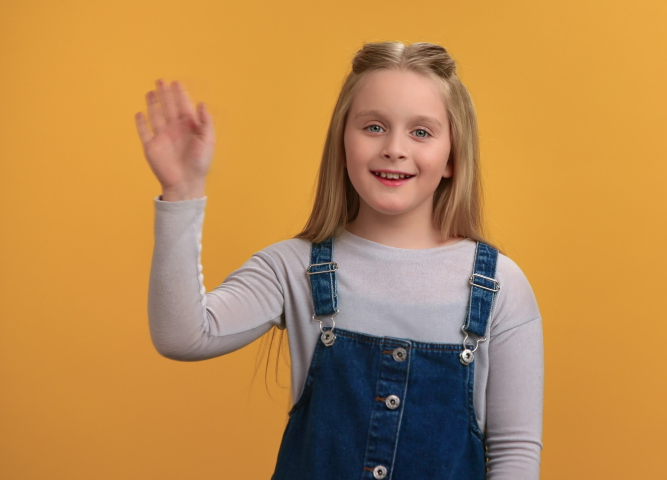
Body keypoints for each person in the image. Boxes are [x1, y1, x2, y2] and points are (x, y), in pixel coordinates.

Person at [136, 41, 544, 479]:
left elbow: (513, 452)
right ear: (342, 140)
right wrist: (182, 191)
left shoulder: (499, 285)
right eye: (373, 127)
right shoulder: (293, 268)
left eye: (421, 132)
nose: (394, 148)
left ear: (452, 156)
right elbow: (182, 335)